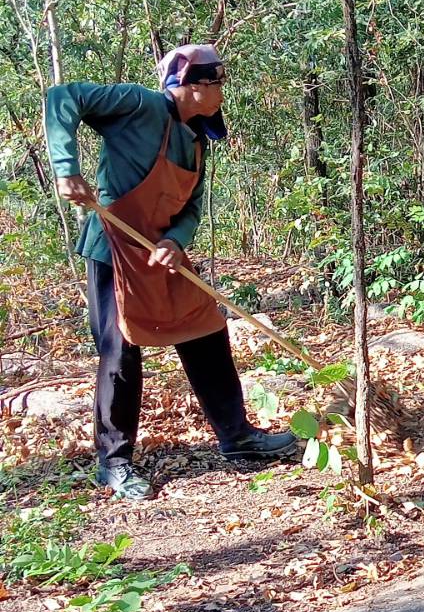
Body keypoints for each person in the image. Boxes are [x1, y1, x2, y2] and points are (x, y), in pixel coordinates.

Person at [47, 43, 297, 500]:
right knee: (120, 352)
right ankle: (115, 462)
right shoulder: (139, 105)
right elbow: (63, 96)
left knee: (205, 330)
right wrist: (66, 168)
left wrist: (175, 241)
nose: (221, 90)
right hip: (116, 249)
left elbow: (193, 205)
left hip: (163, 254)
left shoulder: (198, 138)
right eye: (215, 81)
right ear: (187, 85)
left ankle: (237, 437)